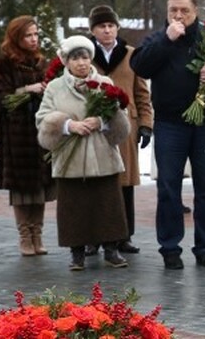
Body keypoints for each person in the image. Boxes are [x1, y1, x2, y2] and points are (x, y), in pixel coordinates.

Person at [130, 0, 205, 270]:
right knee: (168, 187)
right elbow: (141, 65)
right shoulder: (158, 38)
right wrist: (166, 40)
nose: (178, 16)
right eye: (173, 11)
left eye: (184, 11)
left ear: (196, 11)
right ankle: (170, 248)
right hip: (169, 124)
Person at [35, 35, 131, 271]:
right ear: (66, 62)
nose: (81, 62)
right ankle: (77, 253)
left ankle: (111, 250)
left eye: (85, 57)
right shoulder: (56, 88)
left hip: (102, 154)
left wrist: (101, 121)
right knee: (73, 206)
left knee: (107, 203)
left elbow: (120, 117)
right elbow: (42, 118)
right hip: (71, 157)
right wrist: (68, 125)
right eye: (75, 58)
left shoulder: (104, 83)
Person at [88, 5, 154, 255]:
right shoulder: (85, 55)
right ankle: (94, 237)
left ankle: (124, 235)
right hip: (94, 126)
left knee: (125, 183)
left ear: (117, 28)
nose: (107, 30)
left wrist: (146, 124)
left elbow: (142, 93)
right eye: (101, 26)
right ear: (93, 30)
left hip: (126, 124)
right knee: (96, 182)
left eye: (111, 26)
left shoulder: (131, 54)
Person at [0, 16, 56, 256]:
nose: (34, 39)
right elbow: (0, 98)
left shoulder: (40, 62)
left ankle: (38, 233)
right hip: (17, 136)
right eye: (28, 35)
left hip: (40, 133)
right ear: (17, 37)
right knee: (22, 191)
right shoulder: (5, 63)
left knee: (40, 189)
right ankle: (25, 235)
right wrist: (27, 90)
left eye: (36, 34)